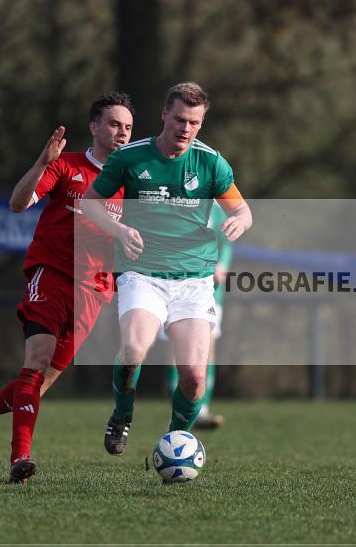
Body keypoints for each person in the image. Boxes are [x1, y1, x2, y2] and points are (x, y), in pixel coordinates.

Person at [0, 92, 134, 483]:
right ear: (94, 127)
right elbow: (18, 204)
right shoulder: (68, 166)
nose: (121, 133)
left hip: (95, 289)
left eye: (127, 127)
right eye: (113, 124)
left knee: (39, 383)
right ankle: (19, 459)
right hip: (51, 274)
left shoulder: (131, 179)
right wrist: (42, 162)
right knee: (35, 361)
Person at [83, 81, 252, 456]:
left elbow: (242, 209)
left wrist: (240, 221)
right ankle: (122, 415)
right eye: (179, 119)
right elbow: (91, 202)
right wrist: (119, 228)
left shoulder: (210, 162)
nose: (186, 129)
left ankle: (175, 440)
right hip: (142, 274)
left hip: (194, 281)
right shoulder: (131, 158)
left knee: (194, 377)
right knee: (133, 350)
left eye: (194, 122)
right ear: (164, 115)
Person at [162, 203, 231, 429]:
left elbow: (226, 242)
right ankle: (179, 409)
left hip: (208, 293)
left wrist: (222, 265)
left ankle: (202, 409)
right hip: (173, 287)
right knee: (177, 351)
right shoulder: (174, 200)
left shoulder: (217, 208)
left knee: (207, 351)